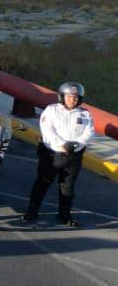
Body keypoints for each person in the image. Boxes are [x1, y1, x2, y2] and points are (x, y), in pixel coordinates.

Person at [24, 81, 94, 227]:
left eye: (75, 97)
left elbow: (89, 132)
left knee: (67, 187)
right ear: (62, 97)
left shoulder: (85, 114)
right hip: (52, 154)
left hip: (74, 156)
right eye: (69, 96)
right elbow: (47, 129)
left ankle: (64, 215)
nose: (72, 100)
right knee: (43, 182)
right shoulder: (52, 110)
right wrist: (62, 144)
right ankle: (32, 211)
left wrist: (77, 144)